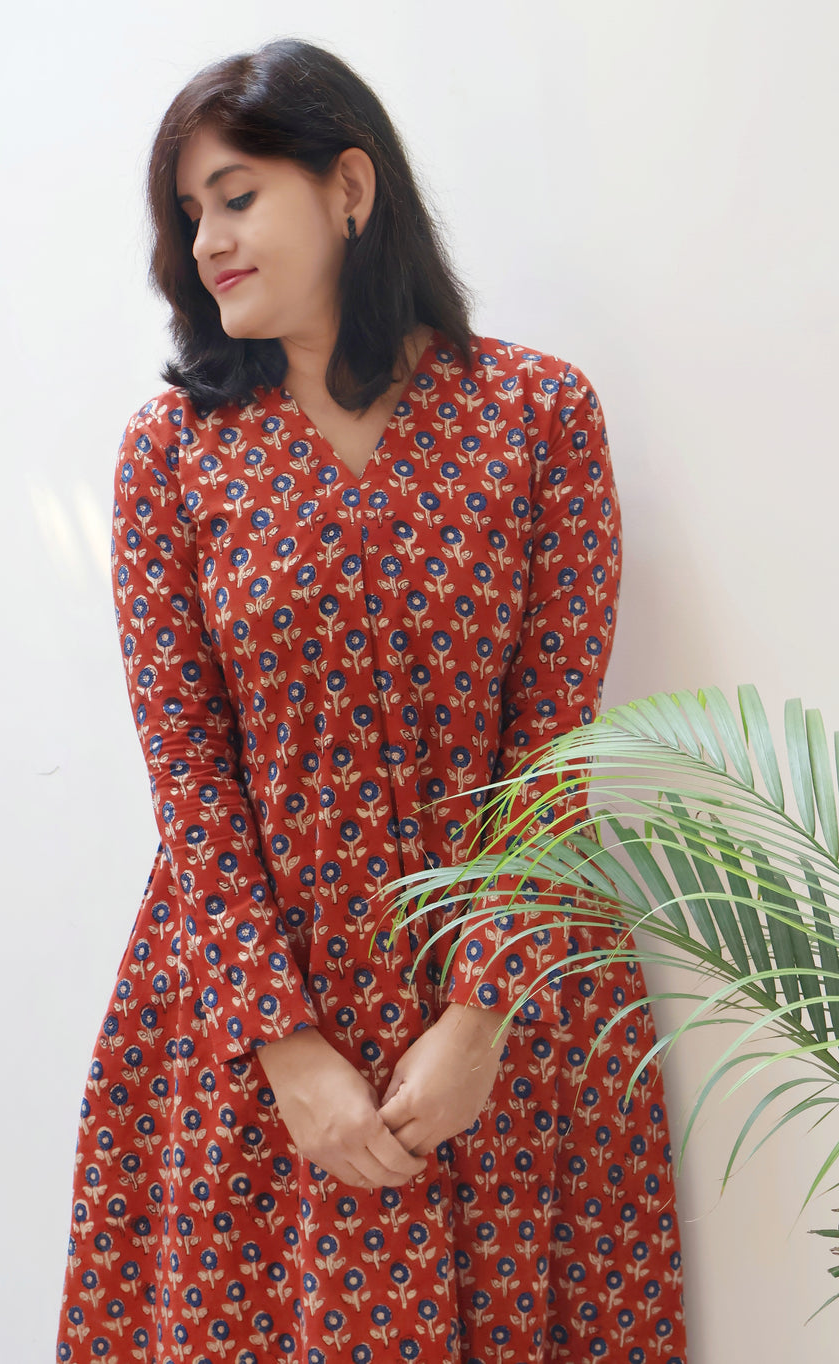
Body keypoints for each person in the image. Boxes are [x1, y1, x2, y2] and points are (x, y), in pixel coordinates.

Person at [57, 38, 686, 1364]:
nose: (207, 240)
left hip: (511, 1011)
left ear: (350, 186)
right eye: (189, 214)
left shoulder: (535, 416)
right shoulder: (172, 456)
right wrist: (290, 1054)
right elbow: (188, 779)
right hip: (249, 1011)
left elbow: (551, 745)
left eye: (236, 196)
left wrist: (479, 1018)